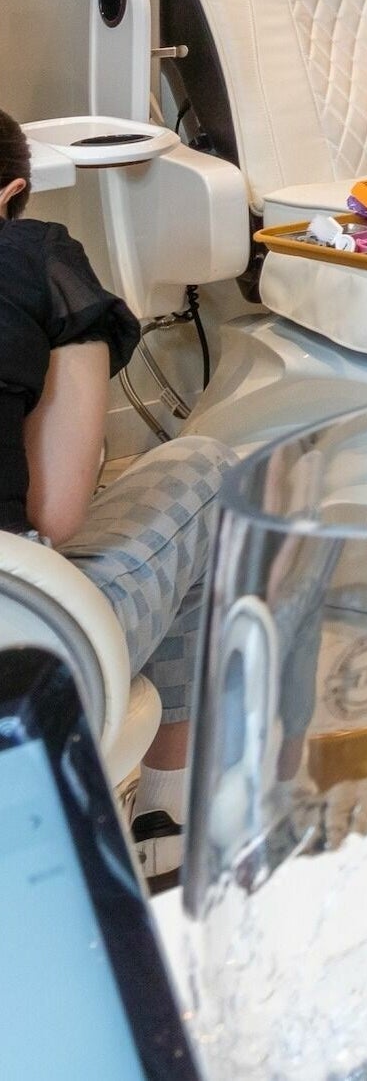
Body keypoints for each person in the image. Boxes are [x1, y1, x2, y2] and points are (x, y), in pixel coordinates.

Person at [0, 109, 231, 825]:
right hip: (19, 670)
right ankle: (170, 817)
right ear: (10, 195)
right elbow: (56, 513)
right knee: (216, 470)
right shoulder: (37, 255)